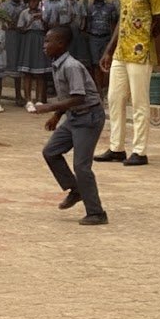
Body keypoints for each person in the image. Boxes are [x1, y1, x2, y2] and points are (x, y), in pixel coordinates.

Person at [97, 0, 160, 167]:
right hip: (120, 53)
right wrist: (109, 49)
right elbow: (122, 20)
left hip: (140, 54)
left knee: (139, 102)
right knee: (114, 99)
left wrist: (145, 39)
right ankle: (116, 148)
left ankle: (139, 151)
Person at [33, 26, 108, 226]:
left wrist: (49, 107)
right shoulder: (57, 64)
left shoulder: (71, 66)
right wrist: (57, 117)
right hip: (74, 117)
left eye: (49, 41)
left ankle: (97, 213)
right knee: (51, 152)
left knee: (81, 166)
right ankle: (75, 190)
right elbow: (67, 97)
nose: (45, 45)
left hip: (89, 117)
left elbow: (78, 97)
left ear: (61, 44)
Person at [17, 0, 50, 108]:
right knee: (27, 73)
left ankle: (39, 99)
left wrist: (41, 18)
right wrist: (31, 21)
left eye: (35, 1)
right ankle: (28, 99)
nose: (33, 3)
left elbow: (48, 28)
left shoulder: (44, 12)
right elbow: (20, 29)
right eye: (31, 1)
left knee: (40, 73)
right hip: (28, 41)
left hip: (40, 39)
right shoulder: (24, 13)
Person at [85, 0, 117, 96]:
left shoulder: (110, 7)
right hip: (93, 38)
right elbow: (87, 24)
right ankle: (98, 89)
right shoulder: (89, 7)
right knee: (95, 64)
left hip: (106, 38)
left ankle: (107, 88)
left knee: (107, 63)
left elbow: (113, 24)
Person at [0, 0, 26, 106]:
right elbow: (2, 22)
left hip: (20, 38)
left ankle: (18, 95)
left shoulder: (24, 5)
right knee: (3, 65)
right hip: (8, 38)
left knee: (18, 67)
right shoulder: (4, 6)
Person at [62, 0, 89, 67]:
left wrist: (82, 28)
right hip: (65, 31)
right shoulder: (62, 4)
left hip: (77, 32)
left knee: (77, 54)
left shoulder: (79, 4)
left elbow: (84, 17)